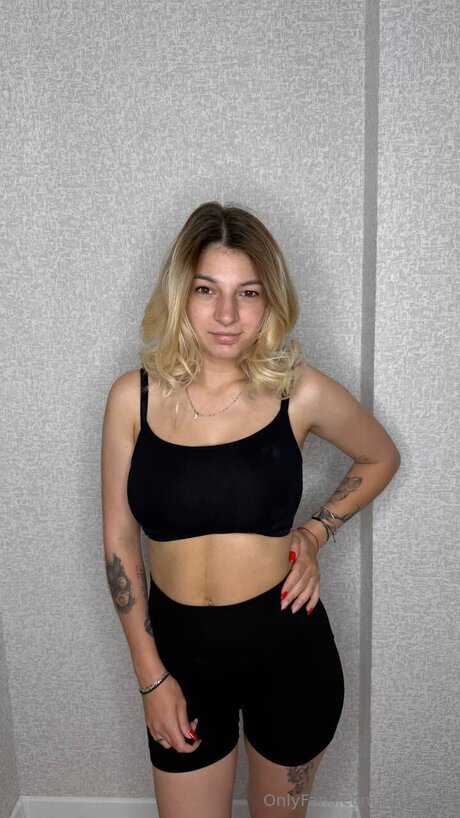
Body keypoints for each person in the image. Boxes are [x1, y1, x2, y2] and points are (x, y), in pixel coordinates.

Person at [100, 201, 401, 818]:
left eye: (249, 292)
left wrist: (314, 534)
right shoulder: (134, 397)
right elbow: (119, 542)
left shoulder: (299, 390)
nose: (227, 314)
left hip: (290, 660)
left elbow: (379, 456)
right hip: (179, 664)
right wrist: (151, 677)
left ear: (270, 301)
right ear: (181, 294)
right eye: (207, 289)